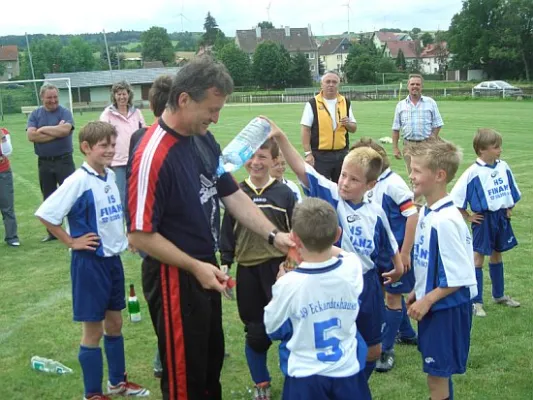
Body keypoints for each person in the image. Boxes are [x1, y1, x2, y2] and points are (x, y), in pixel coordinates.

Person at [126, 56, 293, 400]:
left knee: (209, 370)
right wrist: (194, 266)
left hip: (204, 270)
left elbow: (230, 193)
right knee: (185, 381)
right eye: (211, 109)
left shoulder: (202, 139)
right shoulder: (152, 154)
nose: (216, 117)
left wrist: (274, 235)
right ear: (184, 99)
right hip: (174, 279)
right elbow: (139, 234)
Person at [269, 121, 404, 381]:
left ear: (370, 185)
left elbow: (389, 243)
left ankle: (356, 382)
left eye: (354, 179)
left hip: (368, 285)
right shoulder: (332, 195)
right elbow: (302, 168)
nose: (344, 183)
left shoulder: (376, 212)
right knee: (336, 343)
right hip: (336, 284)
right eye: (343, 175)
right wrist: (281, 137)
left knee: (373, 351)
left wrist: (397, 266)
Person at [35, 121, 149, 400]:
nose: (110, 150)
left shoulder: (108, 176)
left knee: (116, 324)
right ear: (86, 148)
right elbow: (46, 214)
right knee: (93, 331)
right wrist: (71, 241)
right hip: (89, 264)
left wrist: (126, 237)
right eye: (104, 146)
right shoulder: (78, 181)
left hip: (112, 261)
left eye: (112, 144)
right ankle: (93, 393)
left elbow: (111, 215)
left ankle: (117, 383)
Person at [264, 198, 371, 400]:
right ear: (338, 234)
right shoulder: (352, 267)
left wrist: (279, 283)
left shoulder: (289, 284)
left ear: (294, 238)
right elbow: (345, 255)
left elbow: (272, 328)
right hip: (347, 371)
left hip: (306, 376)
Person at [219, 139, 296, 400]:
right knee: (255, 332)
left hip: (279, 272)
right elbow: (227, 233)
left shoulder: (285, 193)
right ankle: (261, 383)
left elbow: (295, 235)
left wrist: (292, 265)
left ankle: (295, 379)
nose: (256, 162)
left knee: (290, 330)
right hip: (249, 271)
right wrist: (226, 263)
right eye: (251, 157)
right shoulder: (236, 193)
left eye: (262, 156)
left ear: (275, 161)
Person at [407, 138, 477, 400]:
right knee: (437, 373)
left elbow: (460, 276)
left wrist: (427, 300)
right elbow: (432, 261)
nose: (411, 176)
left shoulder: (446, 220)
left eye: (416, 170)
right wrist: (418, 290)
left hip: (446, 308)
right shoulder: (429, 211)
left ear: (439, 175)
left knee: (437, 375)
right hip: (435, 303)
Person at [353, 138, 418, 373]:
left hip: (396, 253)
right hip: (378, 253)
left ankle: (386, 349)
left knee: (392, 298)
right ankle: (408, 333)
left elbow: (412, 215)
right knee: (388, 296)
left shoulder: (393, 184)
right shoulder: (372, 183)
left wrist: (405, 252)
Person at [125, 74, 173, 380]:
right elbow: (136, 183)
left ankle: (167, 356)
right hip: (158, 232)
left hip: (151, 227)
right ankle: (162, 359)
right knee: (167, 303)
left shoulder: (139, 137)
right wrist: (135, 228)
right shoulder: (145, 140)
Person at [450, 128, 521, 317]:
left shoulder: (503, 166)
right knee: (478, 258)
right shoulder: (473, 173)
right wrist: (468, 216)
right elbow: (456, 199)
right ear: (482, 150)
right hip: (484, 219)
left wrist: (509, 207)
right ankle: (476, 301)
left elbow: (511, 189)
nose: (500, 150)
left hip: (500, 217)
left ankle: (499, 295)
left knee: (497, 254)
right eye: (496, 147)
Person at [27, 83, 76, 242]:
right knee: (49, 198)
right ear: (42, 97)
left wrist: (42, 129)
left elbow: (65, 130)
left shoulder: (65, 112)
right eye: (49, 97)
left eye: (55, 97)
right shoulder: (35, 114)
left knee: (71, 196)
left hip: (64, 161)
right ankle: (52, 233)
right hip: (45, 163)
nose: (53, 100)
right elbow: (32, 136)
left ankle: (75, 230)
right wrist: (55, 130)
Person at [300, 71, 357, 183]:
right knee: (321, 190)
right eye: (328, 82)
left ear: (338, 85)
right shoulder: (313, 103)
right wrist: (308, 154)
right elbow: (305, 129)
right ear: (322, 84)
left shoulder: (345, 102)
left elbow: (354, 128)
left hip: (341, 154)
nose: (331, 85)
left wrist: (348, 124)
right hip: (320, 155)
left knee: (342, 188)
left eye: (334, 82)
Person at [100, 80, 146, 206]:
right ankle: (122, 225)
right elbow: (103, 136)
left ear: (129, 95)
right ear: (114, 96)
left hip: (135, 161)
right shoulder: (107, 114)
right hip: (117, 163)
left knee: (137, 196)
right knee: (121, 197)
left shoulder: (137, 113)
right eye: (118, 94)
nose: (122, 97)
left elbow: (143, 134)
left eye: (124, 94)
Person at [392, 74, 444, 175]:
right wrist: (395, 148)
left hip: (426, 145)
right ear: (408, 86)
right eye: (412, 84)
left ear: (422, 87)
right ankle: (414, 192)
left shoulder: (430, 103)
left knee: (427, 174)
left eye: (418, 84)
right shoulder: (400, 105)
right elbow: (395, 128)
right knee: (412, 176)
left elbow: (438, 124)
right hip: (408, 146)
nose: (415, 86)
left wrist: (431, 139)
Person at [0, 127, 20, 247]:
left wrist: (2, 137)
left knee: (7, 206)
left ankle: (12, 237)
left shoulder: (4, 132)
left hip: (3, 173)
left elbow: (7, 152)